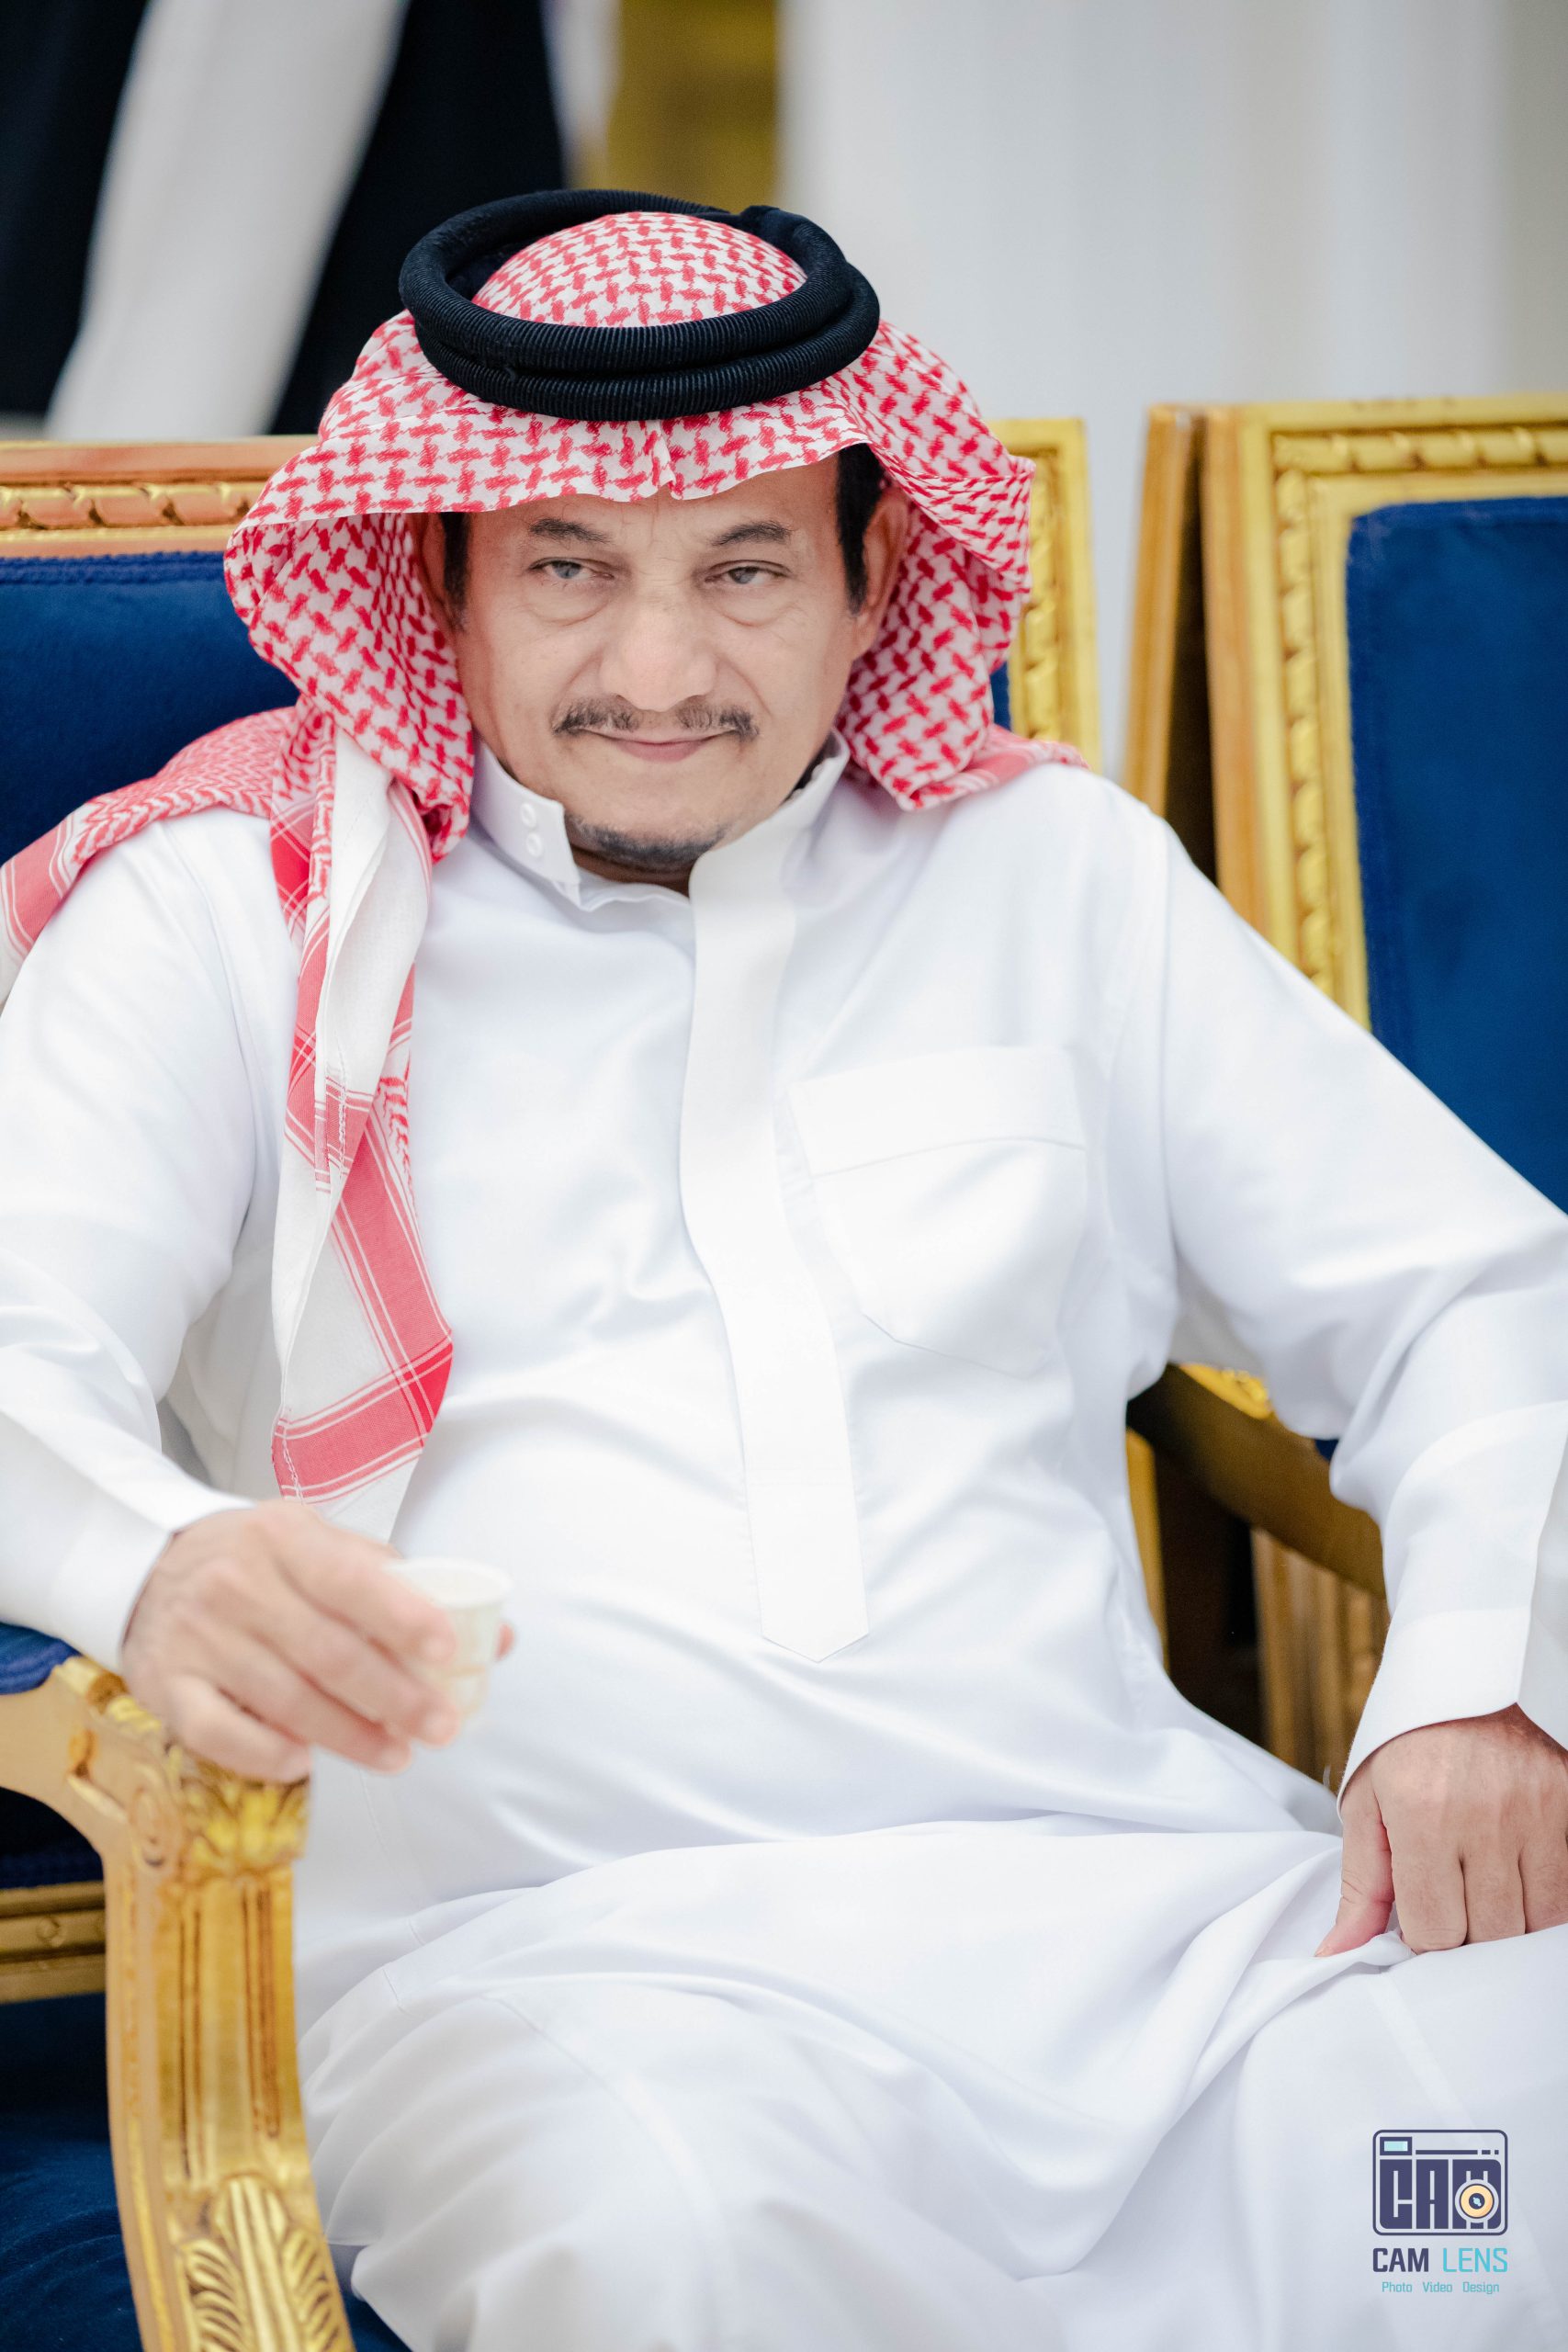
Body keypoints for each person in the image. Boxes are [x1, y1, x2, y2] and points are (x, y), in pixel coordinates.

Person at [1, 192, 1565, 2352]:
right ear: (436, 579)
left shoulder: (1051, 877)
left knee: (1496, 2178)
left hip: (1173, 1943)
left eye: (742, 568)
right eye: (567, 567)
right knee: (674, 2247)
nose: (656, 672)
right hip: (567, 1983)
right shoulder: (224, 917)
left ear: (871, 580)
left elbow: (1475, 1297)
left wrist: (1477, 1674)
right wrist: (160, 1561)